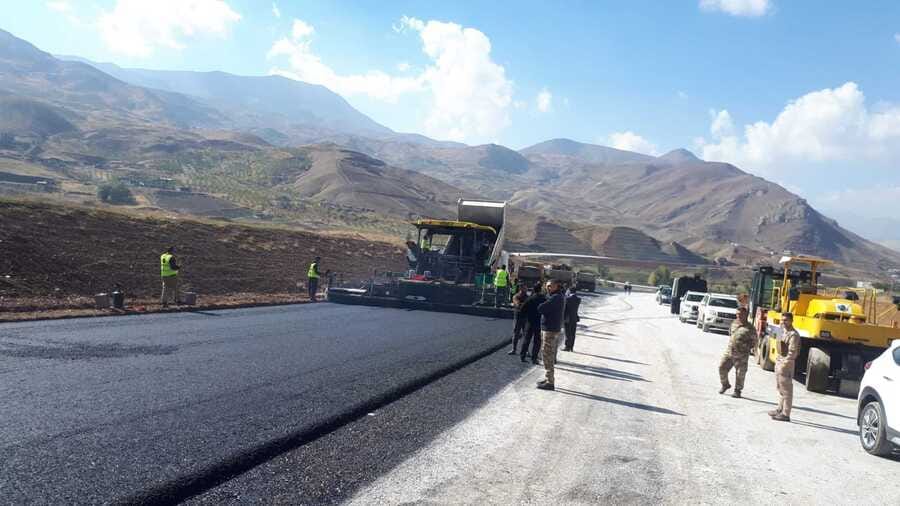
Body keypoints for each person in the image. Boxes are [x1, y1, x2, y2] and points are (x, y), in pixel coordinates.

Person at [718, 307, 755, 398]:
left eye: (741, 314)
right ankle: (725, 384)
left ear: (746, 315)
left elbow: (754, 343)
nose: (739, 316)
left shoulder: (750, 328)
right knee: (722, 367)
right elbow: (730, 334)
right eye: (737, 314)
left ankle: (737, 390)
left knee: (740, 373)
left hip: (741, 355)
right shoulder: (734, 324)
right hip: (730, 352)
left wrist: (744, 347)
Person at [770, 313, 801, 422]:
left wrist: (785, 364)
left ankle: (786, 414)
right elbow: (777, 342)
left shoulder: (794, 335)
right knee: (780, 387)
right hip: (779, 360)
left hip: (786, 363)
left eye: (786, 320)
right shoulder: (781, 331)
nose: (783, 322)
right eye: (782, 320)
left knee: (787, 390)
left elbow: (792, 352)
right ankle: (779, 409)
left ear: (791, 321)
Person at [537, 280, 566, 390]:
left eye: (551, 286)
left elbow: (541, 308)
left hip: (550, 330)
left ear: (557, 286)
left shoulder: (556, 298)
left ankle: (550, 382)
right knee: (547, 354)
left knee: (547, 355)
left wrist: (541, 303)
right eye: (547, 286)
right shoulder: (556, 296)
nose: (548, 288)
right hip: (551, 328)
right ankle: (548, 377)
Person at [519, 283, 546, 364]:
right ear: (540, 289)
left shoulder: (530, 298)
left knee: (526, 340)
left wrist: (526, 317)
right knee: (537, 341)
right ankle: (534, 358)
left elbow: (522, 309)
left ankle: (522, 356)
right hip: (539, 322)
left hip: (530, 322)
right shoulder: (544, 299)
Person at [508, 284, 529, 355]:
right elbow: (518, 305)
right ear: (521, 289)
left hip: (525, 318)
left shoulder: (528, 297)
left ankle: (526, 350)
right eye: (525, 288)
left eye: (526, 288)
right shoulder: (516, 296)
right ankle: (514, 349)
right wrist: (525, 304)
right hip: (518, 317)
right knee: (516, 334)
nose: (526, 290)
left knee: (526, 335)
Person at [562, 286, 581, 352]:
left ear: (570, 291)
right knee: (573, 333)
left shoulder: (567, 298)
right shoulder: (578, 299)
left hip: (567, 318)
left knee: (567, 333)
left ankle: (567, 347)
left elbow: (565, 308)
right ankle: (571, 347)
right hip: (574, 318)